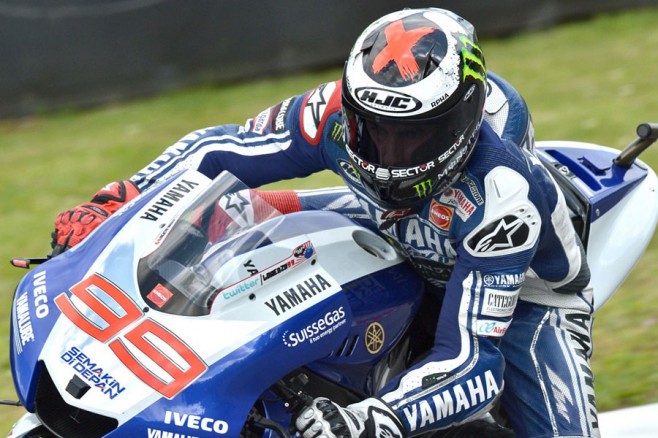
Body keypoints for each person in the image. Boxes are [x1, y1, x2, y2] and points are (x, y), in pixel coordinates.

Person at [51, 8, 600, 438]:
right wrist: (113, 201)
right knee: (227, 215)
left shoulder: (503, 197)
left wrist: (373, 419)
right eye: (375, 129)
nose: (391, 152)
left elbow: (473, 363)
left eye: (414, 134)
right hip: (384, 223)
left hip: (526, 295)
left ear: (464, 117)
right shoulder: (331, 114)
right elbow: (218, 151)